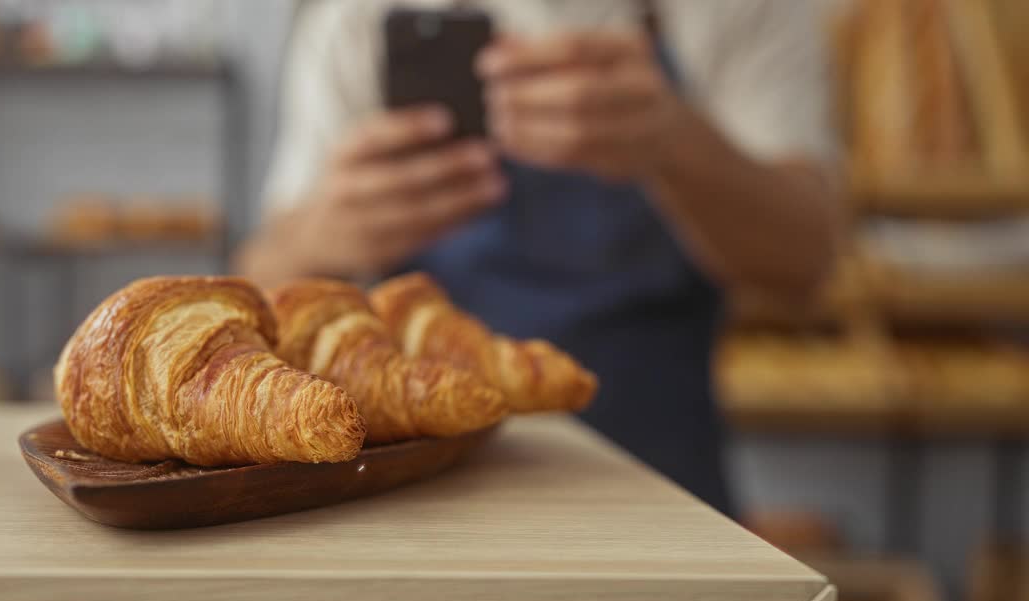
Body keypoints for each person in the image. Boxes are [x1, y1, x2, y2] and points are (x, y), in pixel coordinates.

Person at [236, 0, 838, 515]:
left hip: (666, 492)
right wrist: (323, 231)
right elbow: (255, 293)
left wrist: (673, 143)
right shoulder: (359, 20)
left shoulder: (729, 12)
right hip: (421, 504)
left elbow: (808, 257)